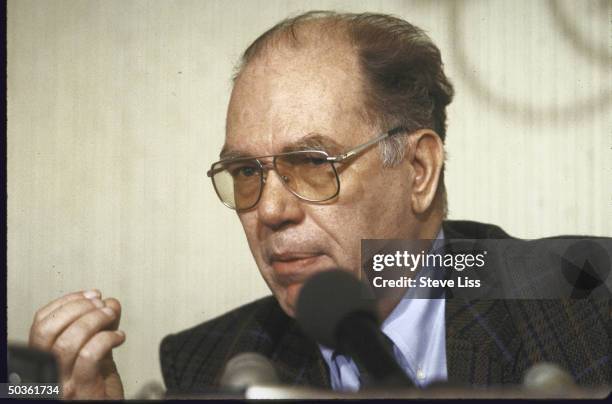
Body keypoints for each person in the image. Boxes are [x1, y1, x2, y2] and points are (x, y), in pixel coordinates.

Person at [27, 11, 610, 399]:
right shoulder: (209, 364)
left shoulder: (586, 310)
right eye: (246, 172)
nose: (271, 211)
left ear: (418, 170)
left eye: (313, 163)